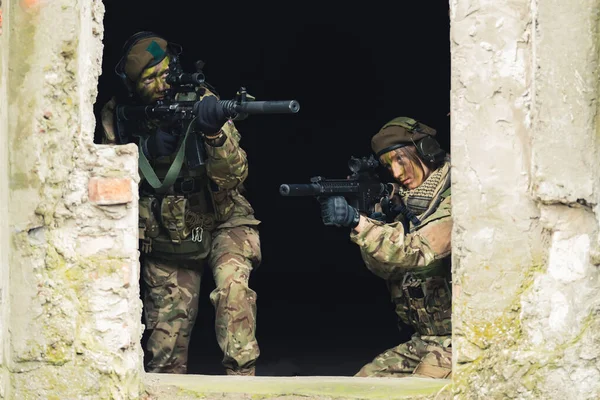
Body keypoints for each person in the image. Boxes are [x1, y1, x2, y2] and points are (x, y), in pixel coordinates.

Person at [99, 31, 261, 376]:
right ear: (131, 86)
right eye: (149, 78)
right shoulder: (120, 116)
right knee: (166, 353)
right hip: (167, 236)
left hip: (221, 221)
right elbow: (105, 183)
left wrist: (214, 134)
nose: (162, 84)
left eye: (166, 71)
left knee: (234, 294)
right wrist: (142, 153)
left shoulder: (203, 100)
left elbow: (235, 176)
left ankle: (244, 384)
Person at [318, 117, 452, 378]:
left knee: (419, 393)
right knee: (362, 385)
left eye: (400, 159)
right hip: (425, 339)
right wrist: (374, 219)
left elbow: (416, 250)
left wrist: (358, 222)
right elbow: (386, 270)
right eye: (388, 164)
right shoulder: (407, 204)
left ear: (426, 150)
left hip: (459, 340)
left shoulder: (454, 197)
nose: (397, 173)